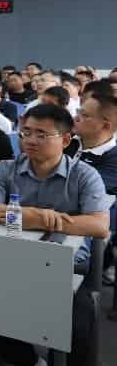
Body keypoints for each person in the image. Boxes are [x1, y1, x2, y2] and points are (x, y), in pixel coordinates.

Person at [0, 104, 109, 366]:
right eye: (26, 132)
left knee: (78, 321)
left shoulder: (84, 175)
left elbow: (99, 225)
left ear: (65, 139)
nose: (30, 140)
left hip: (66, 265)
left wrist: (31, 218)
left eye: (41, 134)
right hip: (10, 259)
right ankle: (26, 362)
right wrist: (35, 216)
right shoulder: (8, 168)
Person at [68, 93, 117, 282]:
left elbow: (81, 194)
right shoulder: (68, 142)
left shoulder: (113, 158)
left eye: (85, 115)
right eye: (78, 111)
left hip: (85, 228)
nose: (76, 117)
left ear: (105, 126)